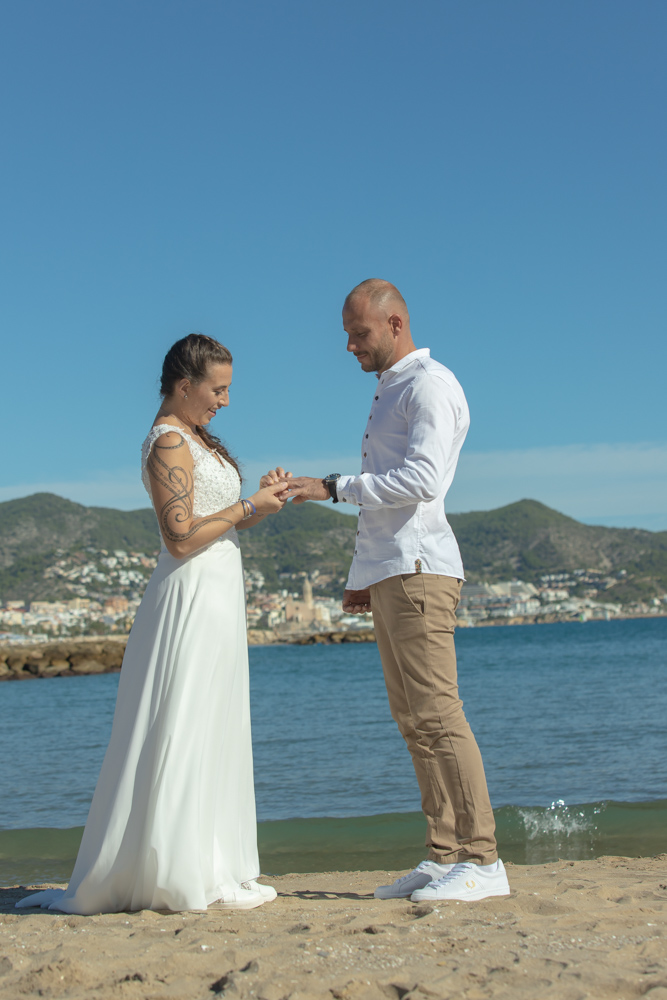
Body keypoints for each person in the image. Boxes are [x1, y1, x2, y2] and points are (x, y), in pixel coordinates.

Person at [17, 334, 290, 914]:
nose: (225, 401)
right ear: (184, 386)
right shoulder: (168, 442)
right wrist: (247, 508)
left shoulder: (193, 438)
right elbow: (181, 536)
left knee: (212, 723)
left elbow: (211, 523)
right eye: (218, 390)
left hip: (217, 595)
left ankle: (213, 862)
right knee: (182, 722)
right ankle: (175, 870)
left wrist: (261, 500)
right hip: (189, 598)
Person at [280, 279, 510, 903]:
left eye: (360, 333)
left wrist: (330, 486)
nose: (351, 346)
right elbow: (389, 496)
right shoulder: (393, 389)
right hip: (392, 571)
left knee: (438, 714)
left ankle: (483, 861)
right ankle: (443, 856)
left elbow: (423, 480)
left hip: (420, 570)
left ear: (396, 323)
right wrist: (363, 578)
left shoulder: (430, 385)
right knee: (413, 720)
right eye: (348, 335)